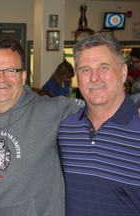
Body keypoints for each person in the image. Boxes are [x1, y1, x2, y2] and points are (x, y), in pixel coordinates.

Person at [0, 35, 82, 216]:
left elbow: (100, 107)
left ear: (23, 76)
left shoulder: (51, 110)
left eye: (10, 71)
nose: (0, 79)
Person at [58, 33, 140, 216]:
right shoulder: (67, 130)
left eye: (103, 67)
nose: (94, 78)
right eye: (85, 70)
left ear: (123, 72)